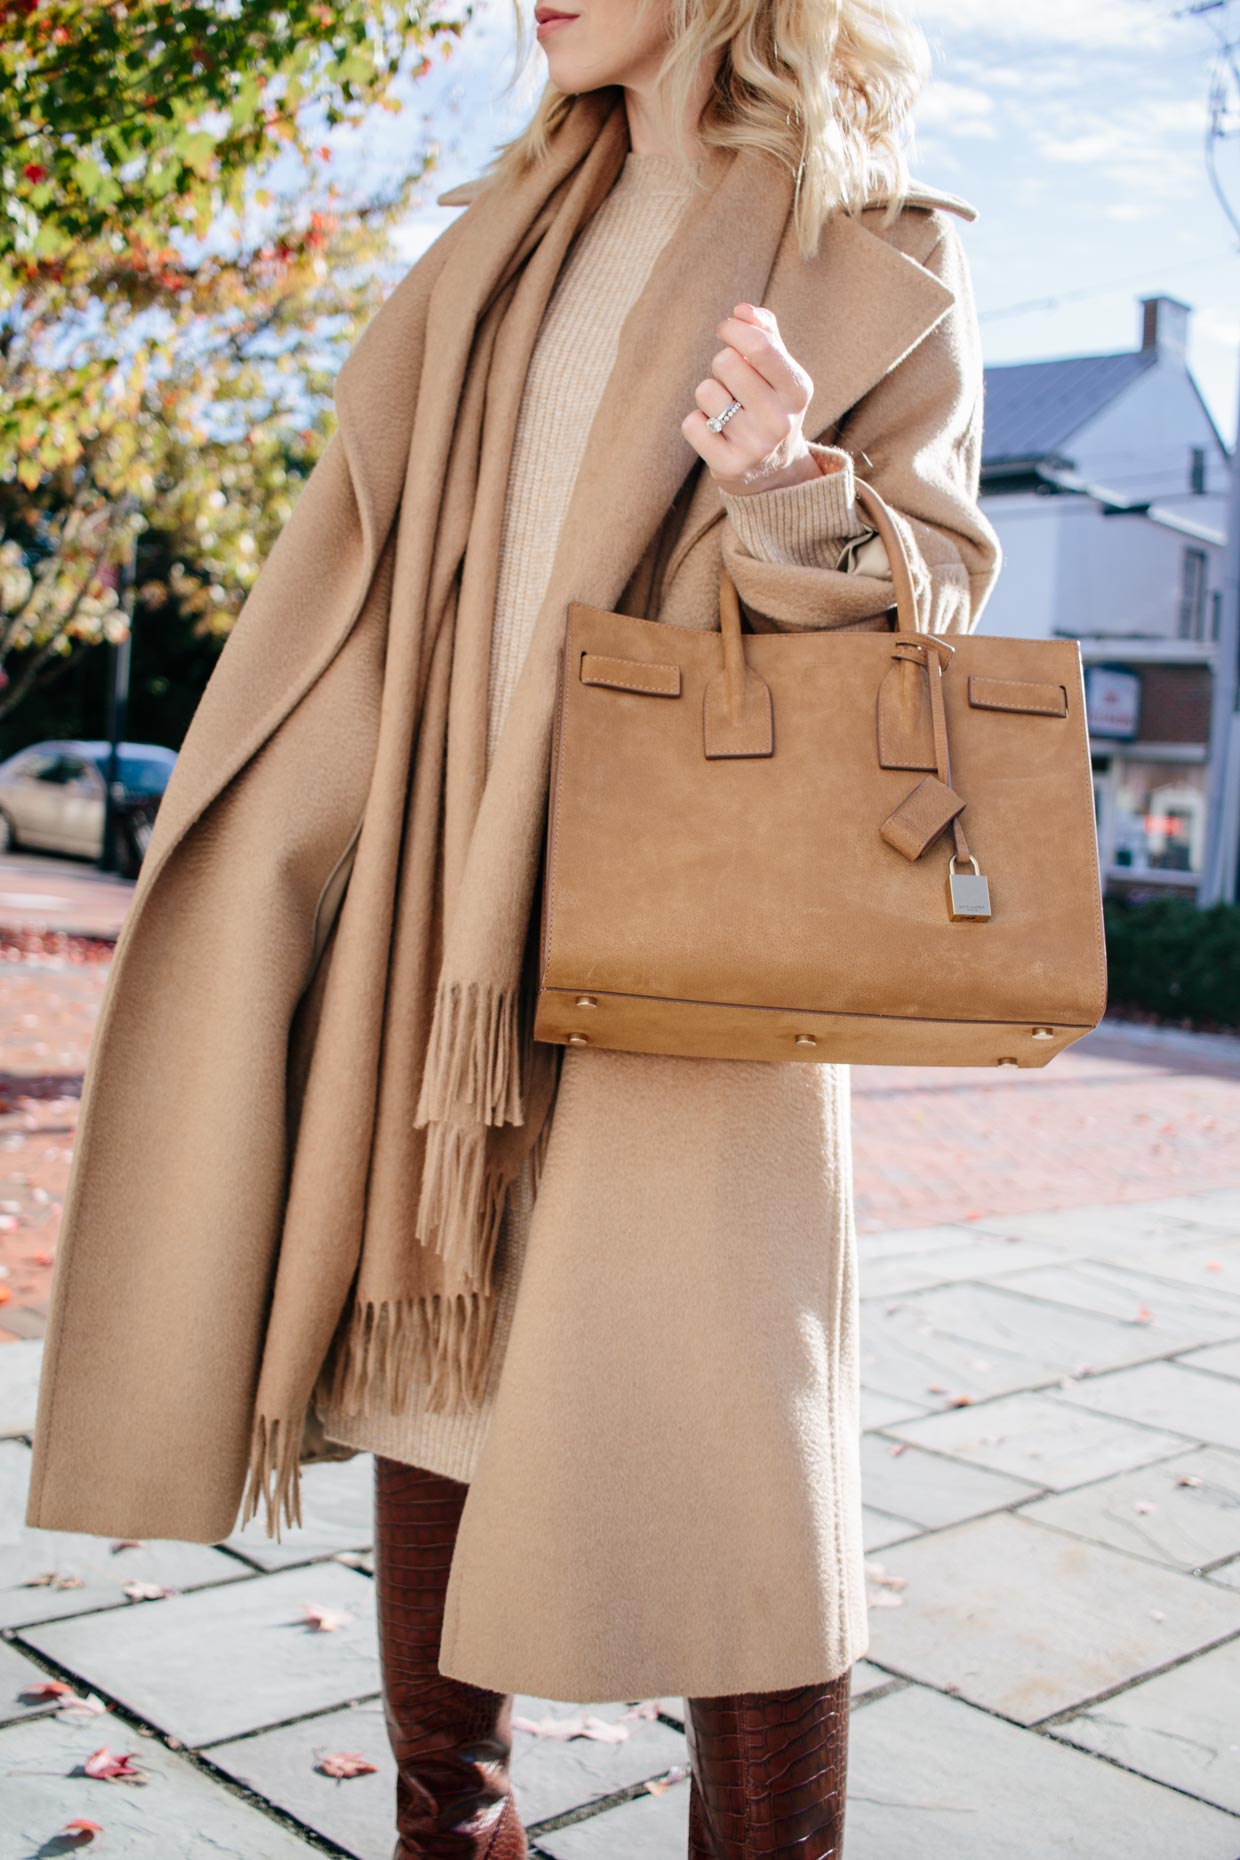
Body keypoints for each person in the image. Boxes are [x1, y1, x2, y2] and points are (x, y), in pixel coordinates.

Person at [25, 1, 1002, 1854]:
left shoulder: (874, 241)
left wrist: (794, 491)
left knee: (744, 1501)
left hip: (693, 970)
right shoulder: (496, 251)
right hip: (440, 947)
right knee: (433, 1375)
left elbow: (936, 606)